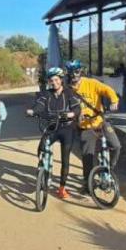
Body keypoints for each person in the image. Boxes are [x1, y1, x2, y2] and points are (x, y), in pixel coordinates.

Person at [65, 59, 121, 192]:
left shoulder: (91, 83)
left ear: (80, 71)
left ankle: (109, 170)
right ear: (68, 74)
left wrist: (114, 101)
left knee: (116, 146)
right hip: (85, 126)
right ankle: (88, 183)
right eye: (72, 73)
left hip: (100, 121)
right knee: (88, 156)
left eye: (77, 72)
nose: (74, 75)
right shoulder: (67, 90)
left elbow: (107, 90)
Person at [26, 67, 81, 199]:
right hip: (52, 127)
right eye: (51, 80)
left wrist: (73, 113)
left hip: (67, 129)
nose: (54, 82)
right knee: (41, 147)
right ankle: (43, 169)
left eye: (56, 80)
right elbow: (39, 105)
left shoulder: (69, 93)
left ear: (61, 80)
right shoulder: (46, 93)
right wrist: (33, 111)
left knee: (65, 159)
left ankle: (62, 188)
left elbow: (77, 107)